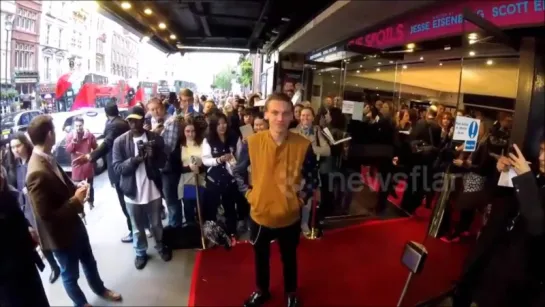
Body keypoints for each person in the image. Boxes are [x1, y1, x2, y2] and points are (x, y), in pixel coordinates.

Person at [25, 115, 121, 307]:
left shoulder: (47, 157)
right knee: (70, 275)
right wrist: (75, 200)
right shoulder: (36, 170)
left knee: (89, 261)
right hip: (60, 235)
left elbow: (60, 183)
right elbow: (45, 215)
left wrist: (76, 186)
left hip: (74, 224)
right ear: (50, 134)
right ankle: (81, 303)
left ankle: (100, 289)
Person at [233, 93, 319, 307]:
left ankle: (291, 293)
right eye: (275, 113)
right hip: (260, 214)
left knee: (289, 257)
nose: (280, 118)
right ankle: (262, 291)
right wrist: (249, 194)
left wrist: (300, 200)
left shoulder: (303, 145)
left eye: (285, 113)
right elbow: (238, 172)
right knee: (260, 257)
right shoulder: (251, 143)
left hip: (290, 216)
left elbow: (311, 178)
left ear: (293, 117)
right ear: (267, 114)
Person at [112, 106, 172, 270]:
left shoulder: (155, 138)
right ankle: (140, 252)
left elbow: (163, 163)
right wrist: (135, 160)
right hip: (132, 192)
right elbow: (117, 168)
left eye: (136, 120)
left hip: (152, 190)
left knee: (156, 224)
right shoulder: (120, 142)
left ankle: (160, 246)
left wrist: (154, 157)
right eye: (130, 120)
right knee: (137, 228)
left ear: (143, 121)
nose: (133, 124)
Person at [72, 103, 132, 243]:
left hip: (118, 168)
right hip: (127, 164)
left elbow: (107, 143)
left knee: (125, 202)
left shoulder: (113, 125)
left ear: (106, 113)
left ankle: (133, 231)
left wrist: (90, 156)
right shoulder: (123, 122)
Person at [8, 133, 61, 283]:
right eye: (12, 147)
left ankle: (62, 262)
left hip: (40, 205)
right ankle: (54, 266)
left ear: (25, 144)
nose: (15, 150)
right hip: (27, 210)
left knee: (51, 235)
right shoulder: (15, 167)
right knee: (39, 239)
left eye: (18, 145)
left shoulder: (35, 161)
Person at [0, 165, 50, 307]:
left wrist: (27, 226)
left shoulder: (5, 194)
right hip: (8, 283)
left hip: (26, 265)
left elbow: (16, 214)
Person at [65, 117, 97, 210]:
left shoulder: (89, 135)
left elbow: (95, 147)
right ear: (74, 126)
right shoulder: (70, 136)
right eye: (76, 126)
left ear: (83, 125)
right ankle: (80, 207)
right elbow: (68, 150)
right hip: (77, 166)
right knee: (78, 188)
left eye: (80, 125)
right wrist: (73, 142)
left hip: (87, 164)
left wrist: (90, 156)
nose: (78, 128)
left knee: (90, 186)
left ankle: (91, 202)